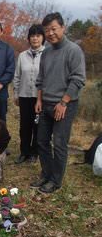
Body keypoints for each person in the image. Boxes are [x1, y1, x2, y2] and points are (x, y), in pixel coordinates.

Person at [31, 12, 86, 194]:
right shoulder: (46, 52)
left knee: (60, 143)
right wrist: (39, 99)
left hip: (64, 105)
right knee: (42, 141)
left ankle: (56, 181)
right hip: (46, 103)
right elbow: (41, 79)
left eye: (54, 29)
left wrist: (63, 102)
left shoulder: (73, 50)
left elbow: (78, 79)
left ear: (63, 28)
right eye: (47, 30)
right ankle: (46, 174)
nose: (51, 33)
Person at [13, 24, 45, 164]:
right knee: (24, 126)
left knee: (37, 126)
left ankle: (34, 152)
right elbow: (17, 76)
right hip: (25, 96)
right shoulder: (22, 56)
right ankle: (24, 152)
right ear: (29, 38)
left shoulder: (47, 54)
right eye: (32, 36)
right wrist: (16, 93)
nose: (35, 38)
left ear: (42, 38)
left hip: (40, 97)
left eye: (38, 35)